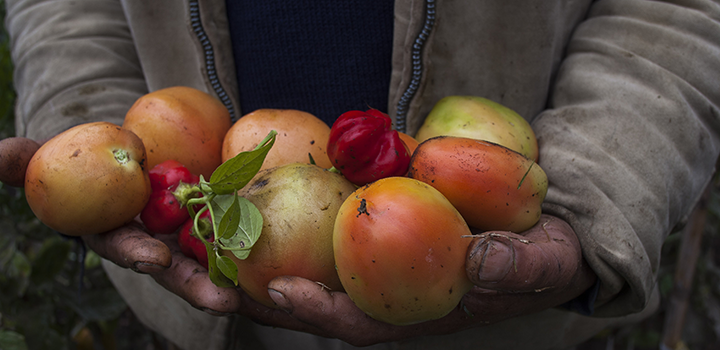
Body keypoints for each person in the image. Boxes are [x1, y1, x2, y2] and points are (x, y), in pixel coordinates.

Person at [3, 0, 720, 349]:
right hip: (195, 311)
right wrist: (93, 125)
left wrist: (597, 189)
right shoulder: (187, 194)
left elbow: (674, 12)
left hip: (509, 322)